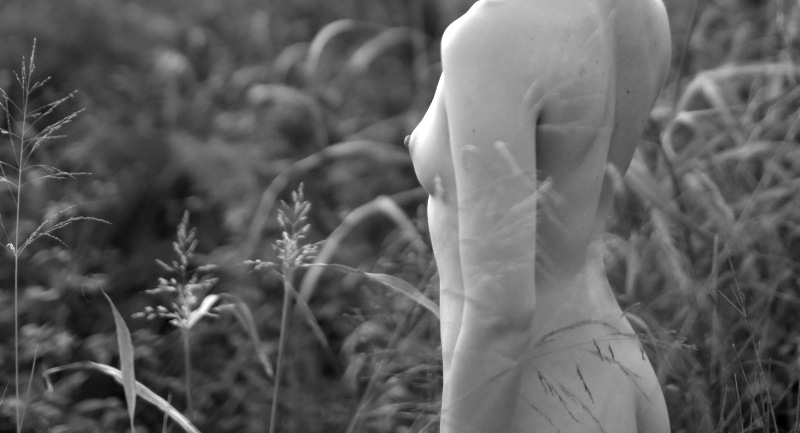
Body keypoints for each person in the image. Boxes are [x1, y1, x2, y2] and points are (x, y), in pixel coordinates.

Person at [407, 0, 672, 432]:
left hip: (534, 405)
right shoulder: (642, 10)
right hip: (615, 377)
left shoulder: (492, 36)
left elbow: (502, 318)